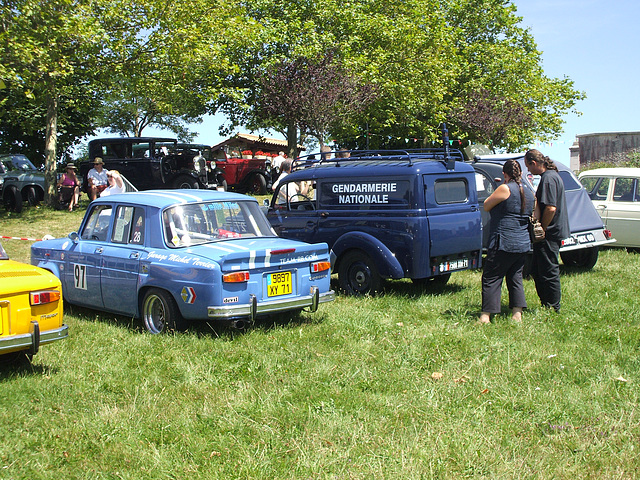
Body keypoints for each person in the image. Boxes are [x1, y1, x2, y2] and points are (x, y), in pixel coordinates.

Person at [479, 159, 536, 324]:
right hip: (522, 241)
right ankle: (517, 314)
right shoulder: (529, 191)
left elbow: (487, 205)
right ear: (521, 173)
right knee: (515, 277)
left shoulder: (505, 188)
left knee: (491, 278)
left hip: (503, 241)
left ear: (505, 174)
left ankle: (485, 316)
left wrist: (499, 187)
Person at [524, 149, 570, 313]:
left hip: (550, 233)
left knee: (548, 270)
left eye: (528, 167)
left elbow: (550, 208)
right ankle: (546, 303)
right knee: (537, 269)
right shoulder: (551, 176)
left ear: (534, 163)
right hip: (552, 231)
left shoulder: (549, 179)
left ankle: (553, 306)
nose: (528, 170)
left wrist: (542, 228)